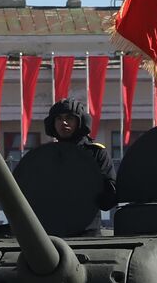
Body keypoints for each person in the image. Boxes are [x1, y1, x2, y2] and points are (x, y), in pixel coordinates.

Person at [43, 98, 117, 230]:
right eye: (59, 118)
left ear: (80, 121)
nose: (63, 122)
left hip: (87, 230)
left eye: (69, 118)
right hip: (52, 230)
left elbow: (109, 198)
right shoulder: (46, 156)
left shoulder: (96, 153)